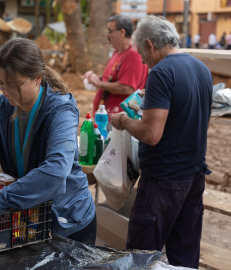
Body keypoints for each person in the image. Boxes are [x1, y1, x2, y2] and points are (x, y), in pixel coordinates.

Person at [0, 38, 96, 245]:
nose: (5, 91)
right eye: (1, 83)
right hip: (26, 217)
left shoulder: (61, 112)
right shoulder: (3, 106)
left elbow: (56, 170)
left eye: (14, 85)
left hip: (66, 221)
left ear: (37, 78)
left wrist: (1, 199)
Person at [109, 15, 212, 268]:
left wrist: (123, 122)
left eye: (142, 54)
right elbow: (186, 116)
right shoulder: (201, 68)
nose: (142, 61)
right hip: (194, 174)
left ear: (149, 45)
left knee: (141, 255)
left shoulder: (161, 72)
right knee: (184, 253)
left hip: (164, 179)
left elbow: (151, 134)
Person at [82, 15, 148, 119]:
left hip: (121, 119)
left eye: (110, 31)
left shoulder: (133, 55)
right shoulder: (118, 52)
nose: (107, 35)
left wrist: (99, 83)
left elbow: (127, 88)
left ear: (122, 32)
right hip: (108, 117)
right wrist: (94, 78)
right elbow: (111, 78)